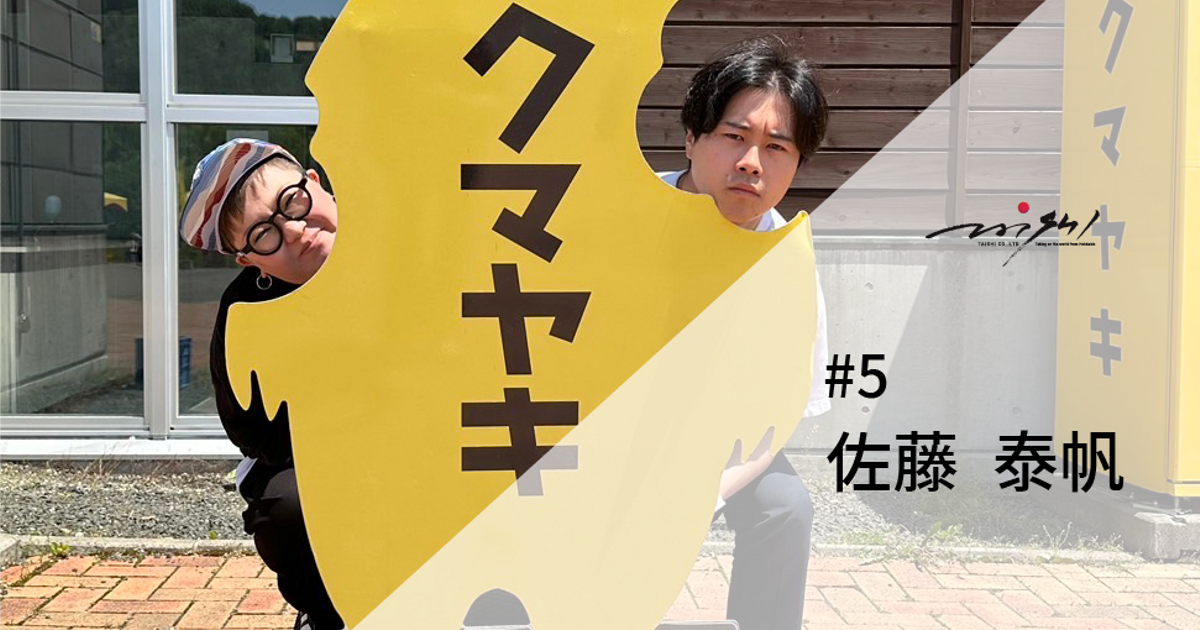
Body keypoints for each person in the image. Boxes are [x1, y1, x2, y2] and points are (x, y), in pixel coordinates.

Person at [659, 35, 831, 630]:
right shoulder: (626, 217)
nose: (752, 162)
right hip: (591, 421)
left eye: (776, 147)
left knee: (786, 507)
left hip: (720, 442)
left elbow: (776, 414)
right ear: (691, 137)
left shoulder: (788, 263)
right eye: (735, 137)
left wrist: (707, 490)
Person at [179, 139, 341, 630]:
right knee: (288, 508)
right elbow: (250, 429)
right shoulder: (246, 309)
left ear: (314, 183)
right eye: (264, 235)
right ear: (250, 262)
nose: (293, 230)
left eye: (292, 201)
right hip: (313, 452)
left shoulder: (400, 238)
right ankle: (326, 612)